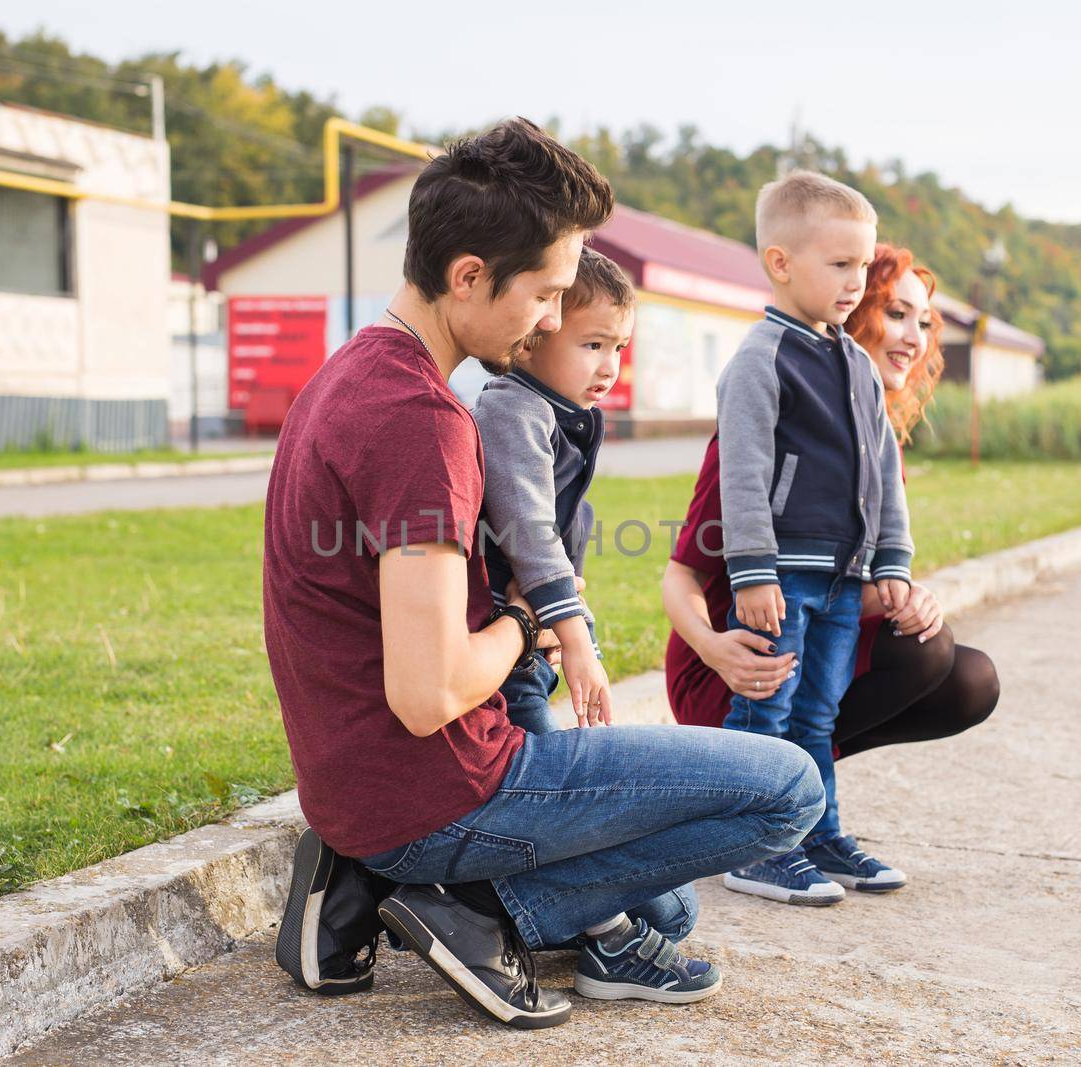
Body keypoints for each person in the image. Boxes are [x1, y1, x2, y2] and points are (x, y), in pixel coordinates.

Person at [262, 118, 823, 1030]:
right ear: (469, 275)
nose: (556, 322)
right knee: (790, 788)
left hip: (362, 792)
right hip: (444, 790)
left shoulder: (351, 373)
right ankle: (474, 911)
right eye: (549, 293)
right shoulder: (422, 422)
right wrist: (527, 618)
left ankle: (374, 880)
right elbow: (428, 691)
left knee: (669, 907)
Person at [662, 242, 1001, 902]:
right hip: (735, 666)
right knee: (923, 655)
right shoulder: (765, 415)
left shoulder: (875, 442)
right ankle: (752, 822)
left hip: (815, 642)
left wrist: (903, 595)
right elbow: (681, 574)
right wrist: (714, 647)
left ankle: (810, 822)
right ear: (852, 309)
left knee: (965, 675)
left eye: (923, 321)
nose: (914, 335)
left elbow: (853, 579)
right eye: (897, 313)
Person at [711, 171, 914, 906]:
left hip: (841, 576)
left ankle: (816, 829)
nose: (857, 282)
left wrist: (892, 558)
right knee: (767, 708)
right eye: (840, 265)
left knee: (817, 713)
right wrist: (752, 572)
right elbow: (743, 475)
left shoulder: (857, 365)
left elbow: (883, 469)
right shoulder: (761, 359)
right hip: (781, 578)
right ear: (781, 263)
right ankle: (755, 845)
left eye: (863, 266)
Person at [475, 247, 633, 733]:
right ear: (529, 341)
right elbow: (529, 532)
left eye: (619, 348)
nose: (610, 368)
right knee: (533, 759)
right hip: (498, 635)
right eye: (593, 346)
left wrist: (575, 629)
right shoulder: (514, 411)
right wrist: (579, 643)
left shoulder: (562, 415)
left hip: (537, 629)